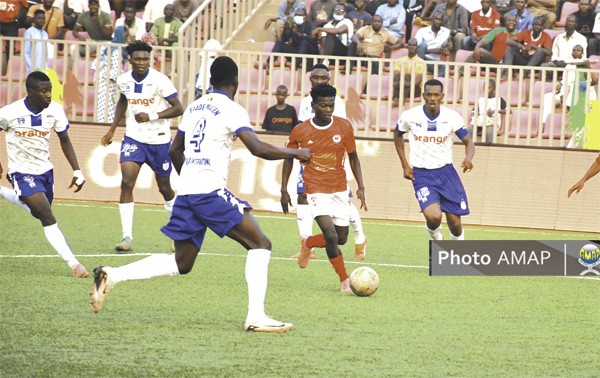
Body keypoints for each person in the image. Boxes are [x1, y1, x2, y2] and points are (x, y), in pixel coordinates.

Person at [90, 56, 310, 333]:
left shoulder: (194, 107)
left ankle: (113, 274)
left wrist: (191, 179)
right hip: (209, 192)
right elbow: (256, 148)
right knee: (260, 244)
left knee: (181, 263)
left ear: (210, 81)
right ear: (235, 83)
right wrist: (296, 153)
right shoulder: (232, 109)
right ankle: (256, 316)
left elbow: (174, 150)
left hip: (187, 192)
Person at [0, 71, 89, 278]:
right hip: (21, 172)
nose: (49, 95)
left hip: (45, 171)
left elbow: (65, 140)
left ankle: (3, 193)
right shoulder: (10, 113)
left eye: (50, 90)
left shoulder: (55, 111)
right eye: (44, 91)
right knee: (46, 215)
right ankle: (74, 264)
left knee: (39, 210)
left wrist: (77, 170)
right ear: (30, 92)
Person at [281, 84, 368, 292]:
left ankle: (308, 242)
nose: (328, 109)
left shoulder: (344, 127)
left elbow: (354, 157)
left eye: (331, 105)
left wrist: (361, 186)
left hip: (339, 187)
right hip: (315, 188)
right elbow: (288, 157)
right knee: (330, 235)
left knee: (341, 238)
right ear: (313, 105)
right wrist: (284, 189)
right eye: (323, 106)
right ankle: (344, 280)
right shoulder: (301, 130)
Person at [100, 41, 184, 253]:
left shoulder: (160, 80)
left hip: (159, 140)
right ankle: (127, 237)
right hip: (134, 139)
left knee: (164, 188)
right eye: (137, 59)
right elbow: (123, 101)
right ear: (130, 60)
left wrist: (152, 115)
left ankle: (176, 233)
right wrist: (112, 129)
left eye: (145, 59)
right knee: (127, 182)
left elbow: (178, 108)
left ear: (151, 60)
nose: (141, 63)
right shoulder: (124, 80)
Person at [296, 64, 368, 261]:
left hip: (332, 161)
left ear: (329, 80)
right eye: (316, 78)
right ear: (310, 79)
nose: (319, 81)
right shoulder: (304, 102)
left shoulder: (337, 102)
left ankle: (360, 237)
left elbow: (338, 131)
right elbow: (303, 128)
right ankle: (306, 245)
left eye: (323, 78)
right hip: (309, 160)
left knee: (343, 203)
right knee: (302, 196)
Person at [393, 78, 475, 241]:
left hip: (446, 173)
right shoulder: (410, 116)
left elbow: (469, 142)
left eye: (436, 95)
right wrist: (405, 165)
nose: (432, 98)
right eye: (429, 95)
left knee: (455, 225)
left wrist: (468, 158)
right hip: (422, 175)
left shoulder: (452, 117)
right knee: (433, 216)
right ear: (423, 95)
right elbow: (397, 135)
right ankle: (436, 237)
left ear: (442, 96)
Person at [470, 79, 507, 143]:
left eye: (489, 88)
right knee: (468, 130)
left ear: (494, 88)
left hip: (492, 124)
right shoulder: (480, 100)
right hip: (480, 123)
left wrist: (495, 111)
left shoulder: (499, 100)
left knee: (489, 131)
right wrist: (477, 115)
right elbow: (474, 112)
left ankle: (488, 151)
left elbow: (508, 111)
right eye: (485, 87)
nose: (487, 90)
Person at [415, 11, 451, 77]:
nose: (437, 21)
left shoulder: (446, 32)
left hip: (434, 61)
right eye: (436, 19)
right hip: (421, 58)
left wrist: (445, 50)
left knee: (444, 67)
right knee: (423, 45)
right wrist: (433, 50)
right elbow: (417, 48)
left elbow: (447, 46)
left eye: (440, 20)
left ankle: (432, 84)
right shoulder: (422, 31)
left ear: (442, 21)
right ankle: (419, 70)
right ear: (432, 19)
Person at [393, 38, 425, 107]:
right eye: (410, 45)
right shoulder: (400, 60)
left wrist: (404, 83)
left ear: (417, 47)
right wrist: (401, 83)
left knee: (407, 76)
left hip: (415, 89)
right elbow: (396, 75)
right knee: (400, 76)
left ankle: (398, 99)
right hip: (400, 86)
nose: (412, 47)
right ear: (407, 46)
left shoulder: (421, 62)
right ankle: (397, 99)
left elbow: (418, 82)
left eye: (414, 45)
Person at [0, 0, 29, 76]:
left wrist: (18, 16)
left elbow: (26, 6)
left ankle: (10, 71)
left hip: (11, 24)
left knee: (10, 47)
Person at [24, 9, 49, 74]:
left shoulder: (45, 34)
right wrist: (31, 66)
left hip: (44, 68)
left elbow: (46, 52)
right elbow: (25, 52)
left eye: (43, 18)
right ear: (34, 19)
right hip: (32, 68)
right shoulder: (29, 32)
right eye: (39, 18)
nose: (42, 20)